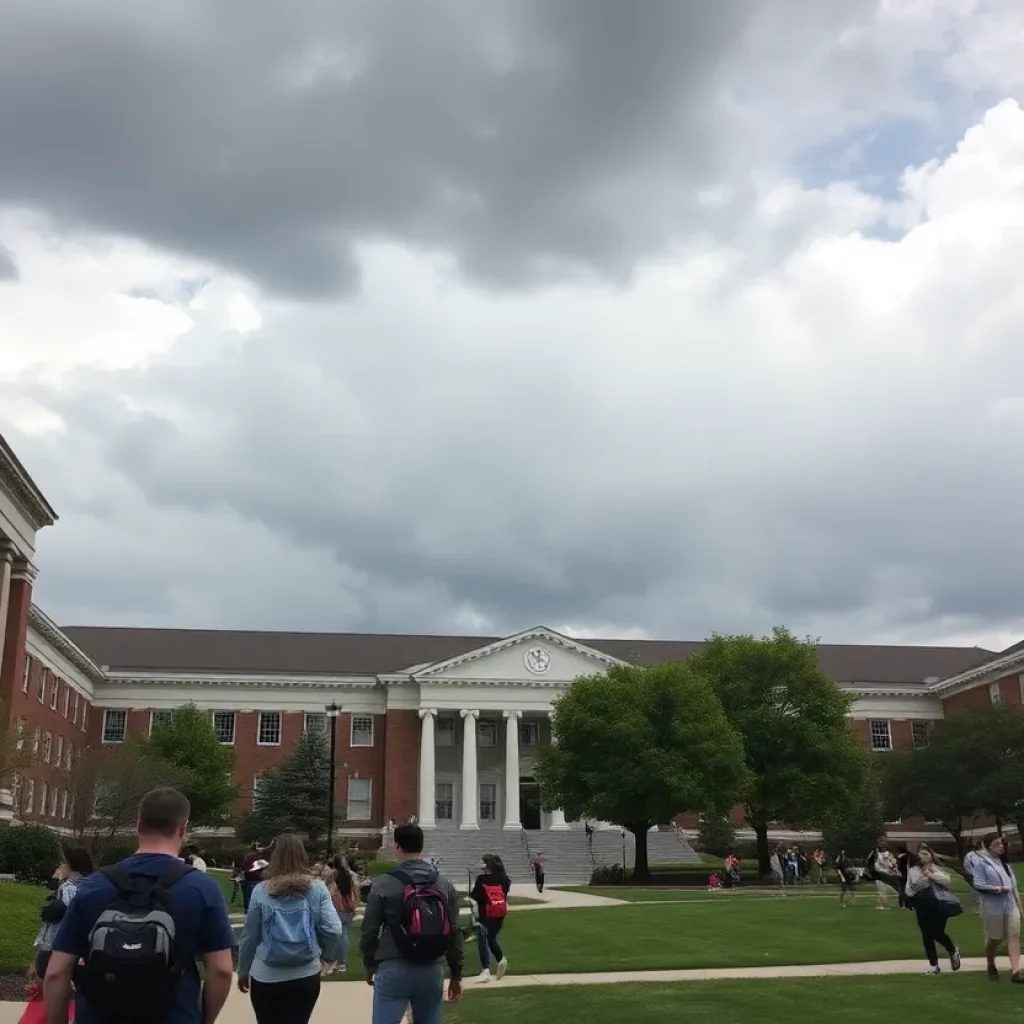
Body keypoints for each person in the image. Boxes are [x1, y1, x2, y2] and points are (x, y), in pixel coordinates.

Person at [43, 787, 236, 1024]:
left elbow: (56, 973)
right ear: (183, 829)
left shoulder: (94, 886)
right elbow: (222, 971)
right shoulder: (202, 888)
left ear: (138, 825)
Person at [361, 822, 463, 1024]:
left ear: (397, 847)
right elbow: (454, 930)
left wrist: (370, 964)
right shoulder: (443, 884)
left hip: (394, 964)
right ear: (422, 847)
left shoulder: (383, 883)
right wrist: (456, 974)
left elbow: (369, 931)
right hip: (432, 967)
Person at [236, 833, 344, 1024]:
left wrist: (243, 970)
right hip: (305, 973)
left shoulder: (261, 890)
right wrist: (327, 957)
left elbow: (250, 936)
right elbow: (333, 929)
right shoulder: (317, 888)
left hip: (266, 975)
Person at [33, 846, 94, 980]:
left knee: (47, 975)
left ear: (71, 866)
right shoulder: (93, 885)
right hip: (85, 946)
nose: (60, 868)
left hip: (57, 945)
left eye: (63, 864)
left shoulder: (68, 888)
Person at [971, 832, 1024, 982]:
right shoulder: (981, 864)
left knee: (1013, 935)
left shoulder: (1005, 864)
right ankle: (990, 962)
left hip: (1010, 906)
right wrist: (996, 889)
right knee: (995, 938)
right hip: (992, 908)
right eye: (997, 844)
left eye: (1002, 843)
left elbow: (1013, 886)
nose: (1001, 846)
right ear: (988, 846)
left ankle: (1016, 971)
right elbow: (978, 884)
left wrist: (1019, 904)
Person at [904, 848, 962, 975]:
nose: (922, 856)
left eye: (926, 854)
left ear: (931, 856)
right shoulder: (913, 869)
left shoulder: (934, 868)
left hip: (938, 904)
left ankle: (952, 950)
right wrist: (910, 896)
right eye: (920, 854)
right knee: (926, 934)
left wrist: (930, 875)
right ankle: (934, 965)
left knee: (936, 932)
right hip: (921, 904)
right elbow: (909, 886)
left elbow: (947, 880)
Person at [470, 854, 510, 984]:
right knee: (491, 939)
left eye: (482, 862)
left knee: (483, 942)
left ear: (487, 864)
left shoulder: (482, 879)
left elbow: (475, 897)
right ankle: (500, 959)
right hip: (499, 913)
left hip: (484, 913)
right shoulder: (504, 879)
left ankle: (485, 970)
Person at [326, 854, 360, 974]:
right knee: (343, 934)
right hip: (348, 907)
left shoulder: (333, 875)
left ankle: (339, 962)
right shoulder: (350, 875)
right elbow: (356, 891)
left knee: (337, 935)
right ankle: (340, 962)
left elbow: (331, 892)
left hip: (338, 908)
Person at [242, 841, 270, 913]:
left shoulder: (247, 856)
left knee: (248, 896)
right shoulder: (262, 857)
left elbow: (244, 866)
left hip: (248, 878)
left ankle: (248, 910)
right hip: (259, 879)